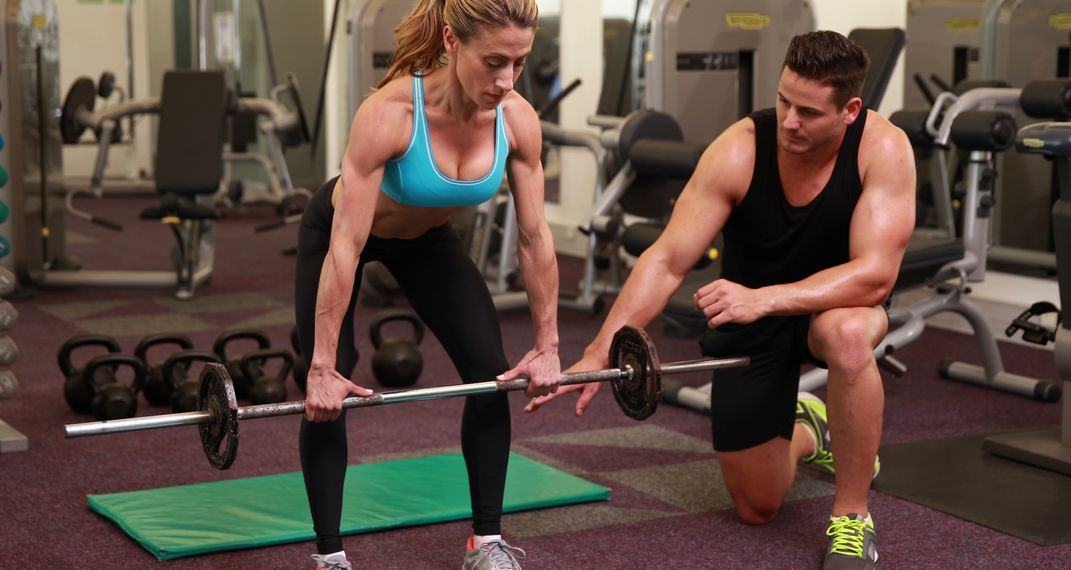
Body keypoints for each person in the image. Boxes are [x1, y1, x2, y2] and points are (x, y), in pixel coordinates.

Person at [527, 31, 915, 570]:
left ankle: (851, 518)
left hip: (834, 306)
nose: (789, 121)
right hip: (747, 311)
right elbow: (666, 261)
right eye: (783, 102)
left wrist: (766, 298)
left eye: (807, 111)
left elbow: (874, 277)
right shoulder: (740, 148)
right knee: (758, 506)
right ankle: (812, 429)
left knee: (846, 336)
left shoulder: (884, 148)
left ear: (850, 110)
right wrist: (600, 350)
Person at [294, 1, 560, 568]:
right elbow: (346, 247)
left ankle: (486, 543)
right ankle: (329, 557)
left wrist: (548, 345)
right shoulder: (390, 113)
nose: (505, 80)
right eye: (493, 61)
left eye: (518, 63)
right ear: (451, 41)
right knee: (330, 385)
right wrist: (320, 364)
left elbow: (535, 237)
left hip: (427, 242)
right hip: (343, 233)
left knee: (492, 372)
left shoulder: (517, 119)